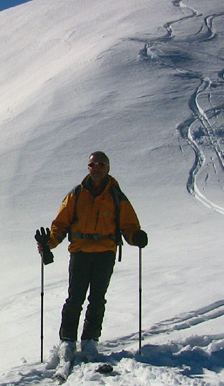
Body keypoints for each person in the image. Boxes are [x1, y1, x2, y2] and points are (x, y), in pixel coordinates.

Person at [35, 151, 147, 364]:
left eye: (101, 164)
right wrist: (48, 243)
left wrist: (136, 237)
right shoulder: (76, 194)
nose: (96, 168)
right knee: (74, 298)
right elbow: (61, 224)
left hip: (105, 253)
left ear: (107, 168)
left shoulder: (115, 195)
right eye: (92, 164)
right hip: (80, 252)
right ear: (88, 168)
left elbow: (129, 225)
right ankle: (67, 340)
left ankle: (89, 340)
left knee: (97, 299)